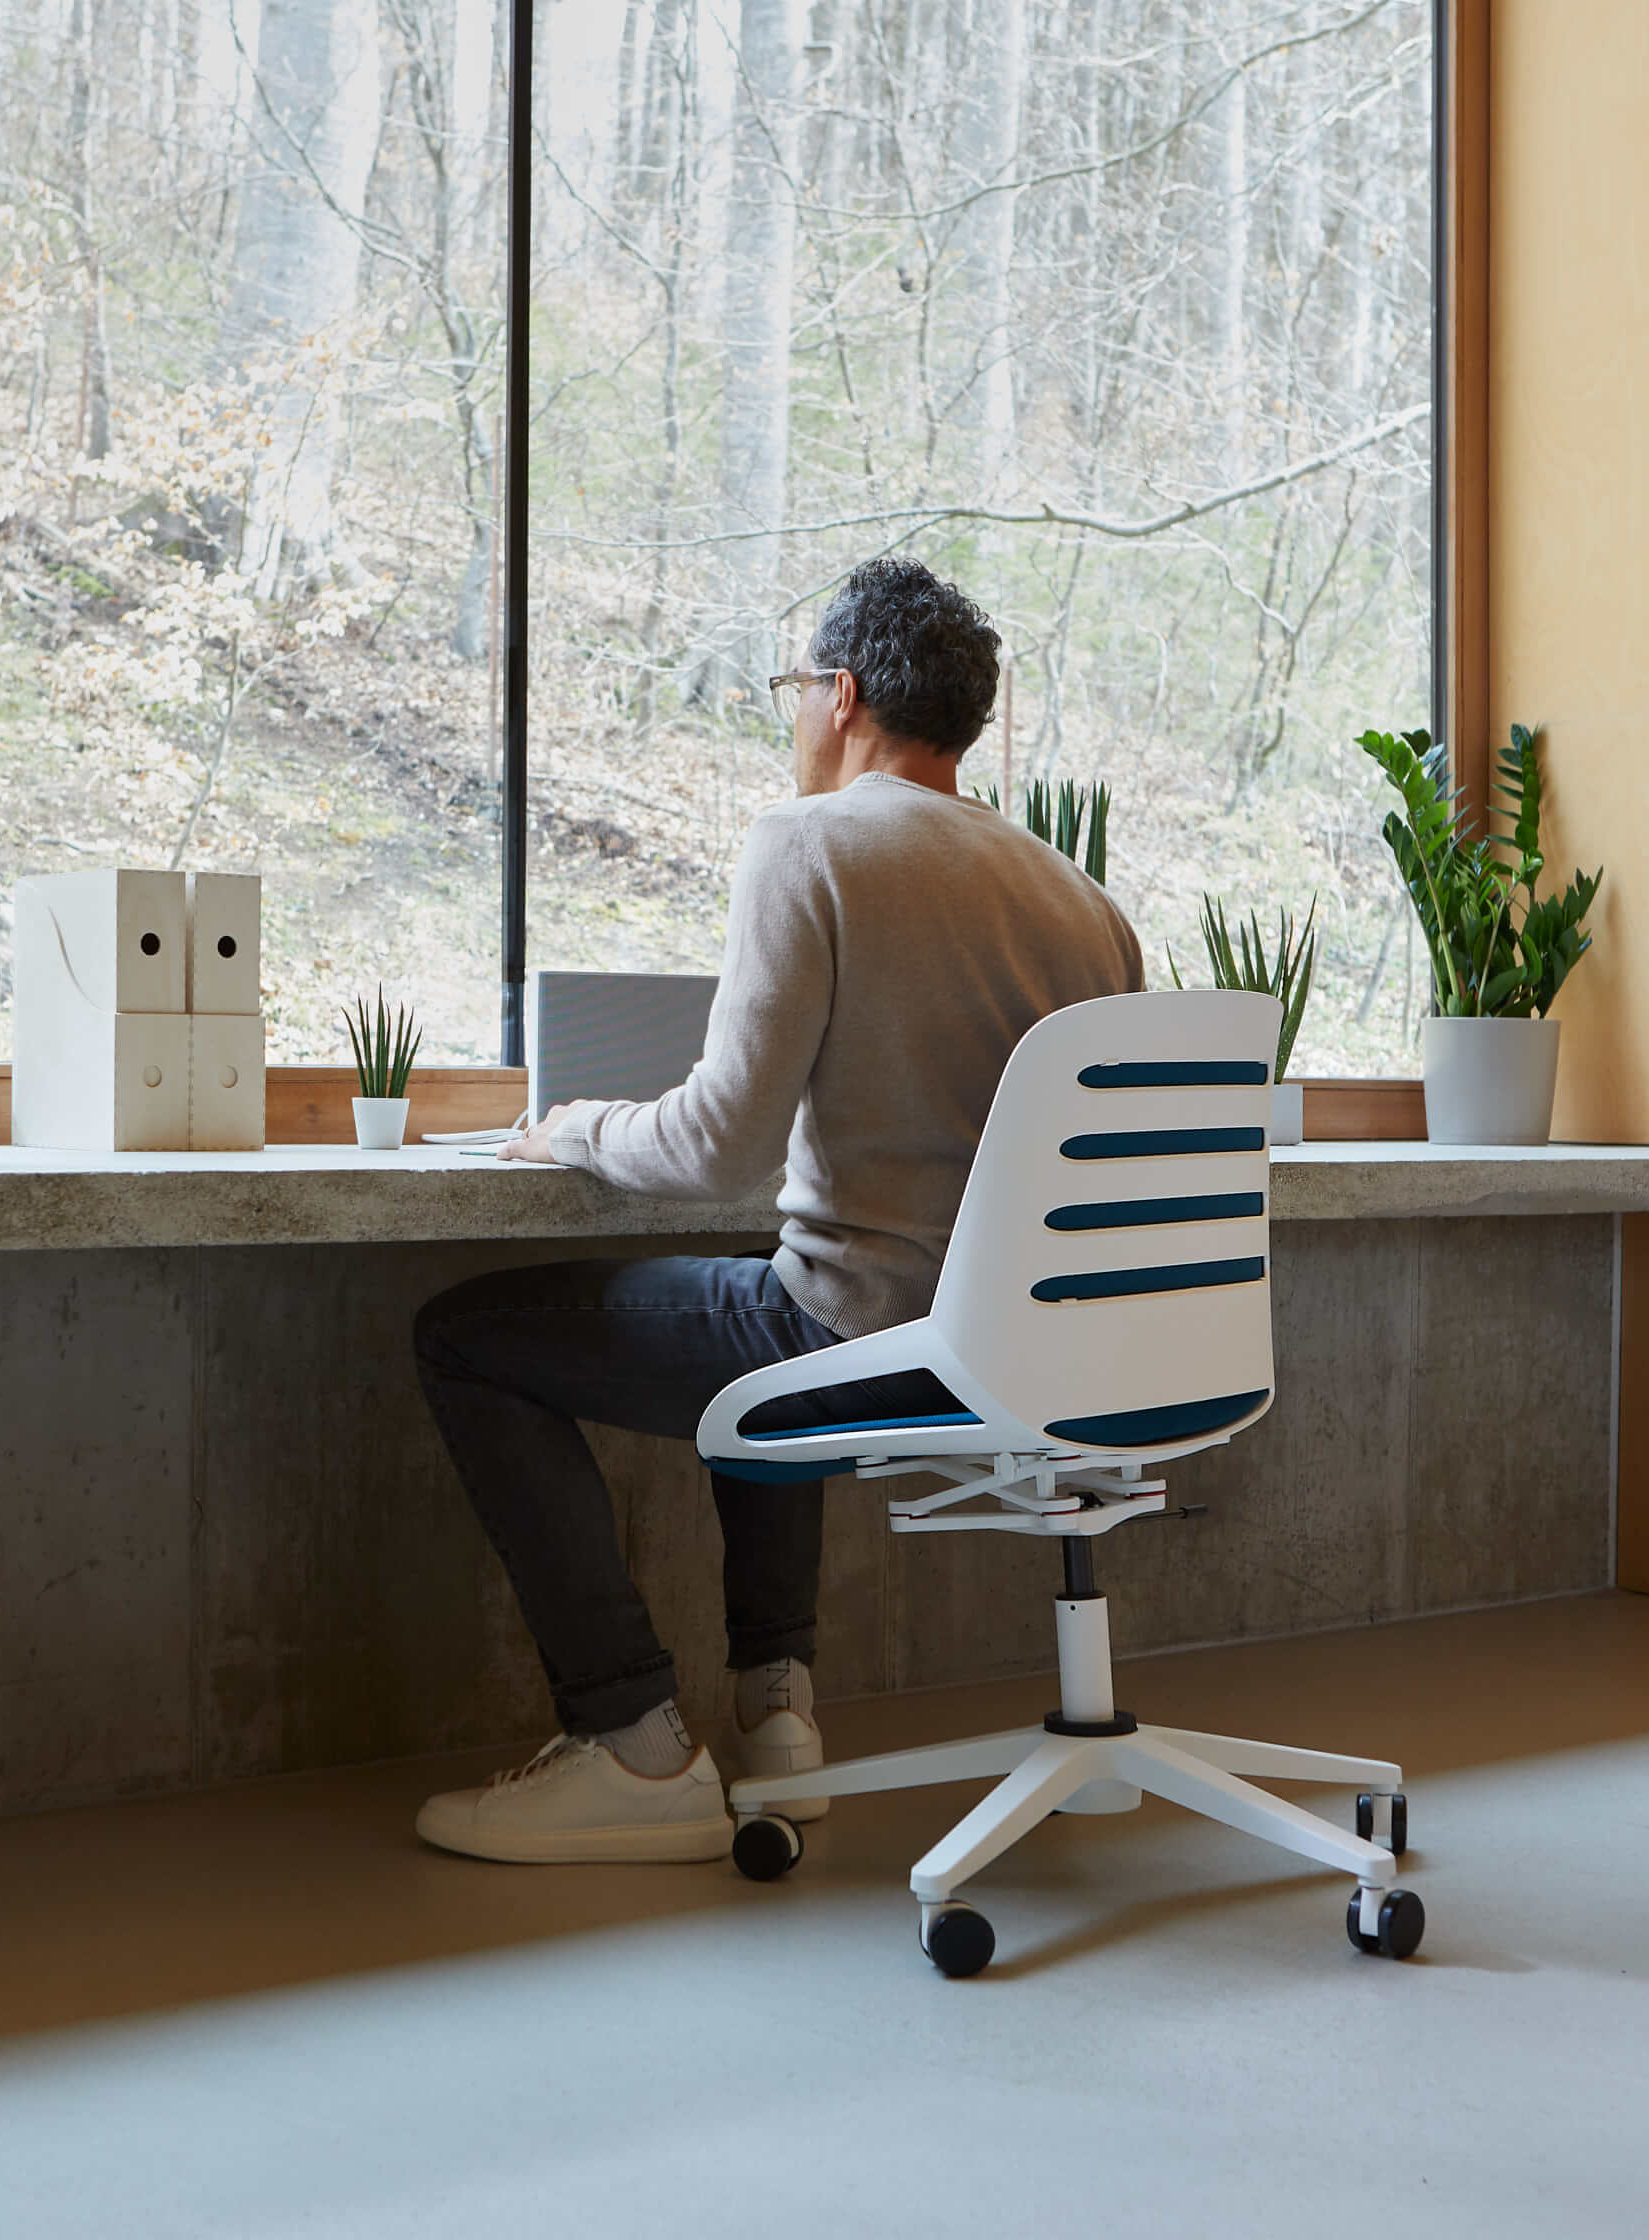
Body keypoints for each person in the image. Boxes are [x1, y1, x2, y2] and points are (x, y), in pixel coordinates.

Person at [409, 558, 1144, 1863]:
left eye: (795, 690)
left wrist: (568, 1128)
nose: (792, 717)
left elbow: (714, 1146)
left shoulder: (809, 843)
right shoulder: (1086, 907)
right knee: (762, 1285)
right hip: (1056, 1357)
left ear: (844, 694)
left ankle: (634, 1748)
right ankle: (778, 1713)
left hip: (867, 1345)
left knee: (468, 1337)